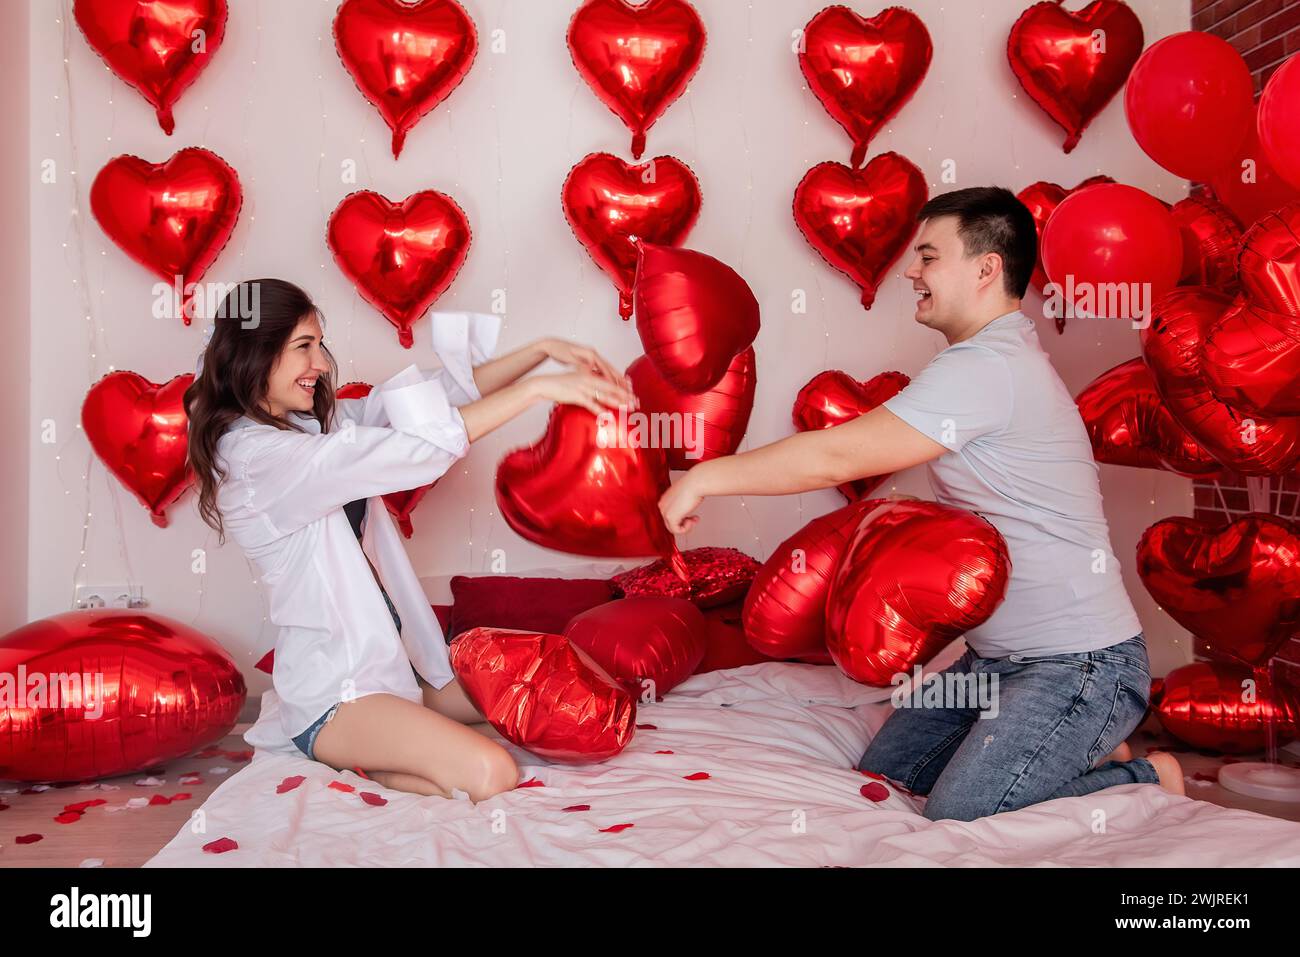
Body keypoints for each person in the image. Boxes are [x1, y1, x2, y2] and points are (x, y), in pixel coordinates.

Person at [658, 186, 1185, 822]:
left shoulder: (988, 368)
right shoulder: (984, 362)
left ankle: (1144, 775)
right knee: (888, 777)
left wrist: (704, 476)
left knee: (960, 816)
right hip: (993, 663)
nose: (911, 271)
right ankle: (1072, 753)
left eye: (929, 256)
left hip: (1079, 666)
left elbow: (840, 456)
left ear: (987, 268)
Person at [185, 278, 636, 800]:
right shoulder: (258, 460)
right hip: (336, 696)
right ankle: (361, 764)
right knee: (493, 771)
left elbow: (426, 407)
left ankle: (408, 743)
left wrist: (539, 354)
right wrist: (536, 393)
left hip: (400, 668)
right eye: (304, 347)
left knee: (554, 692)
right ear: (254, 355)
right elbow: (414, 449)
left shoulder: (308, 427)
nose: (323, 364)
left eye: (319, 345)